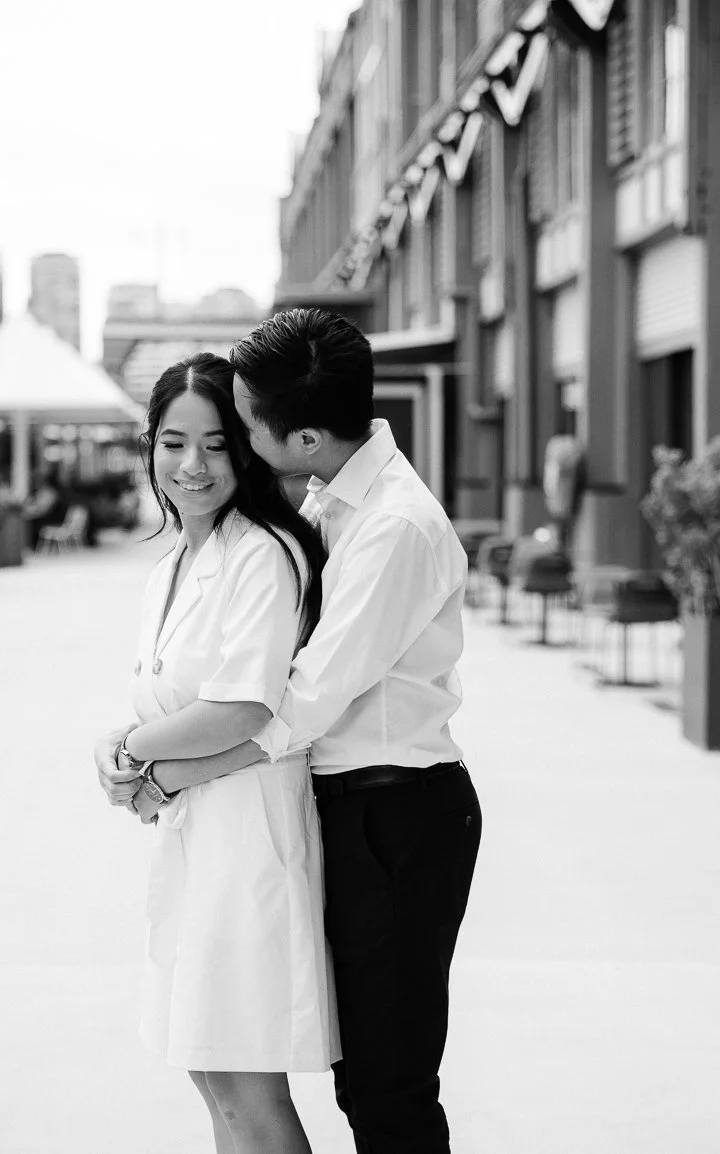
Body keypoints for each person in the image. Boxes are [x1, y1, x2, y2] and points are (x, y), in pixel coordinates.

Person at [98, 309, 482, 1154]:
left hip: (397, 809)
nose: (219, 449)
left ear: (303, 437)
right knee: (349, 1079)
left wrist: (163, 766)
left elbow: (294, 705)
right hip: (344, 804)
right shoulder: (328, 498)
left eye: (239, 426)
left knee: (386, 1088)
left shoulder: (391, 527)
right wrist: (137, 750)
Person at [97, 352, 337, 1154]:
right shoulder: (174, 562)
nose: (192, 466)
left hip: (246, 841)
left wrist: (133, 751)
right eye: (173, 443)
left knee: (244, 1087)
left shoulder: (263, 553)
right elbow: (172, 701)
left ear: (247, 450)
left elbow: (241, 706)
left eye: (215, 444)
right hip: (196, 836)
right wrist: (122, 748)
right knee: (210, 1073)